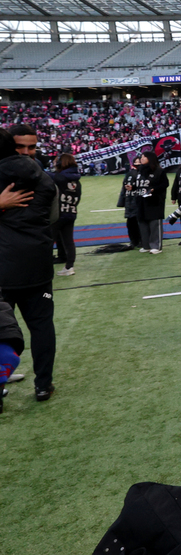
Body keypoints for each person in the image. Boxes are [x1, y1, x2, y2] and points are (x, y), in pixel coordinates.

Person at [0, 127, 59, 402]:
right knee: (41, 325)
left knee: (9, 327)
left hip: (6, 264)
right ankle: (43, 384)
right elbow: (54, 217)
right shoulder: (45, 179)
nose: (26, 152)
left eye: (31, 147)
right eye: (20, 147)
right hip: (36, 260)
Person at [51, 154, 82, 277]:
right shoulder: (77, 181)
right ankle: (69, 266)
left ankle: (43, 268)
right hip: (71, 212)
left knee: (48, 241)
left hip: (57, 214)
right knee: (69, 241)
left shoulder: (58, 177)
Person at [135, 151, 168, 254]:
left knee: (154, 224)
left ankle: (156, 246)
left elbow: (165, 184)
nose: (142, 158)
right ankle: (146, 245)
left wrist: (154, 189)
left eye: (144, 157)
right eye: (141, 157)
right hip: (141, 200)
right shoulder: (139, 171)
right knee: (142, 223)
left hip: (154, 201)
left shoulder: (159, 171)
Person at [117, 156, 143, 249]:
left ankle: (141, 240)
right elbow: (124, 188)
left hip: (139, 201)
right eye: (136, 162)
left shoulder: (143, 174)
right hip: (129, 200)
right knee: (130, 223)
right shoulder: (129, 174)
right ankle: (133, 241)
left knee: (139, 222)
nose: (137, 164)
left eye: (139, 162)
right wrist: (122, 201)